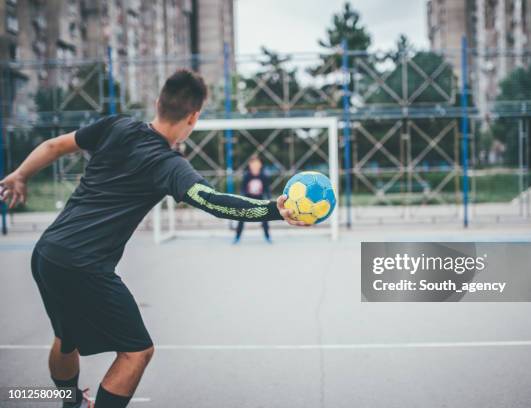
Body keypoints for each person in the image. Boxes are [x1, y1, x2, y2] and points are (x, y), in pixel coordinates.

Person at [0, 69, 307, 408]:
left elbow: (55, 145)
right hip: (84, 265)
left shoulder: (117, 125)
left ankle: (70, 402)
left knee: (66, 337)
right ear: (193, 117)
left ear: (158, 102)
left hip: (47, 253)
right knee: (137, 352)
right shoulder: (169, 165)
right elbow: (215, 202)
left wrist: (19, 174)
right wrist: (274, 210)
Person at [234, 155, 272, 243]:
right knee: (241, 218)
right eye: (253, 164)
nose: (255, 166)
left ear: (260, 165)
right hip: (248, 199)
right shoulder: (247, 176)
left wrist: (269, 200)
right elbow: (243, 189)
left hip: (260, 199)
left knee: (265, 218)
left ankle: (267, 237)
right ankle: (237, 237)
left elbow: (267, 190)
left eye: (257, 164)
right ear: (250, 165)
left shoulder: (263, 176)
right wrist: (241, 200)